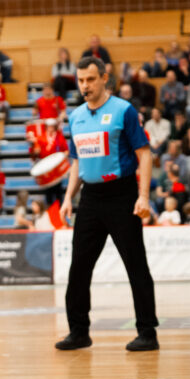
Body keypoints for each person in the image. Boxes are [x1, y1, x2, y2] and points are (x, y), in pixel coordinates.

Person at [55, 56, 158, 352]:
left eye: (90, 79)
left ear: (103, 79)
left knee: (135, 264)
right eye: (80, 80)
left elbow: (145, 154)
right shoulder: (76, 117)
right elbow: (77, 161)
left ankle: (147, 332)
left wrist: (143, 196)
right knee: (79, 267)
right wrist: (68, 198)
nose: (84, 85)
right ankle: (78, 332)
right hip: (90, 198)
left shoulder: (124, 111)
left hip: (122, 195)